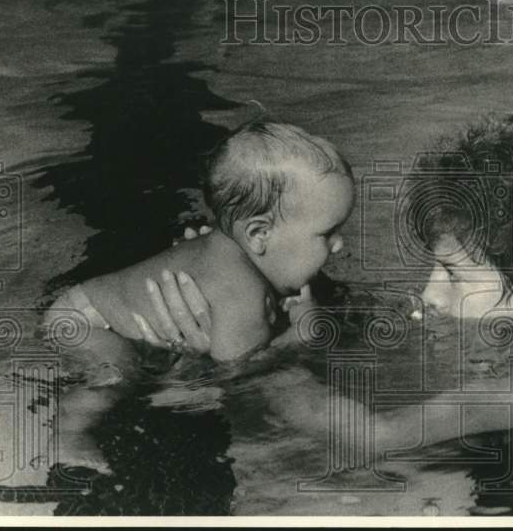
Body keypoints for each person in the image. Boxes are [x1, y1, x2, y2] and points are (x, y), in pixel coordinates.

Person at [144, 113, 513, 458]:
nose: (426, 295)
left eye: (451, 276)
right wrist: (255, 277)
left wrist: (243, 362)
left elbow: (373, 439)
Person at [41, 118, 353, 468]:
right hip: (89, 323)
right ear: (259, 235)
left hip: (82, 304)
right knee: (117, 372)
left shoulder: (226, 249)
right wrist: (299, 337)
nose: (339, 245)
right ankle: (66, 435)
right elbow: (240, 373)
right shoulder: (241, 292)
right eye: (327, 234)